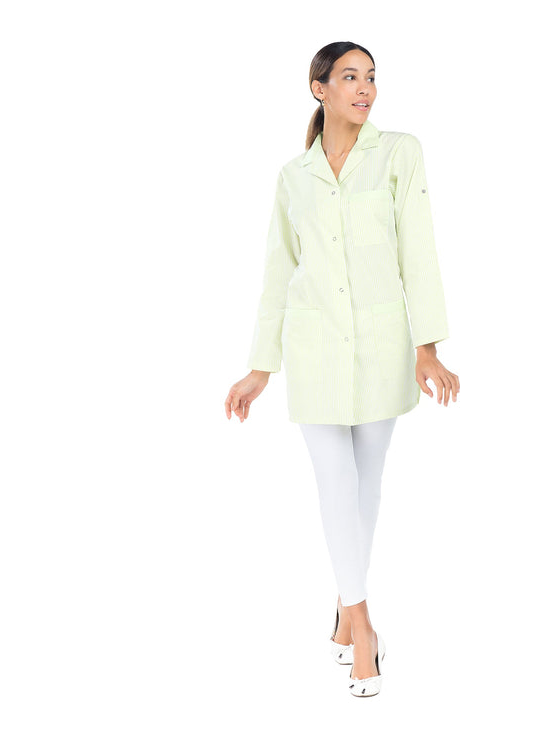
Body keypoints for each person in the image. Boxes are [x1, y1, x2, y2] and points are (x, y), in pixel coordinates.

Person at [224, 41, 460, 697]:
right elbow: (278, 274)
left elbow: (419, 247)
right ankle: (362, 626)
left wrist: (428, 346)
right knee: (335, 485)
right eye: (350, 77)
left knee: (365, 489)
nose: (365, 88)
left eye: (372, 77)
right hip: (314, 350)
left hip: (383, 347)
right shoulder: (292, 177)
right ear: (318, 87)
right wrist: (259, 369)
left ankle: (341, 607)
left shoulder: (399, 152)